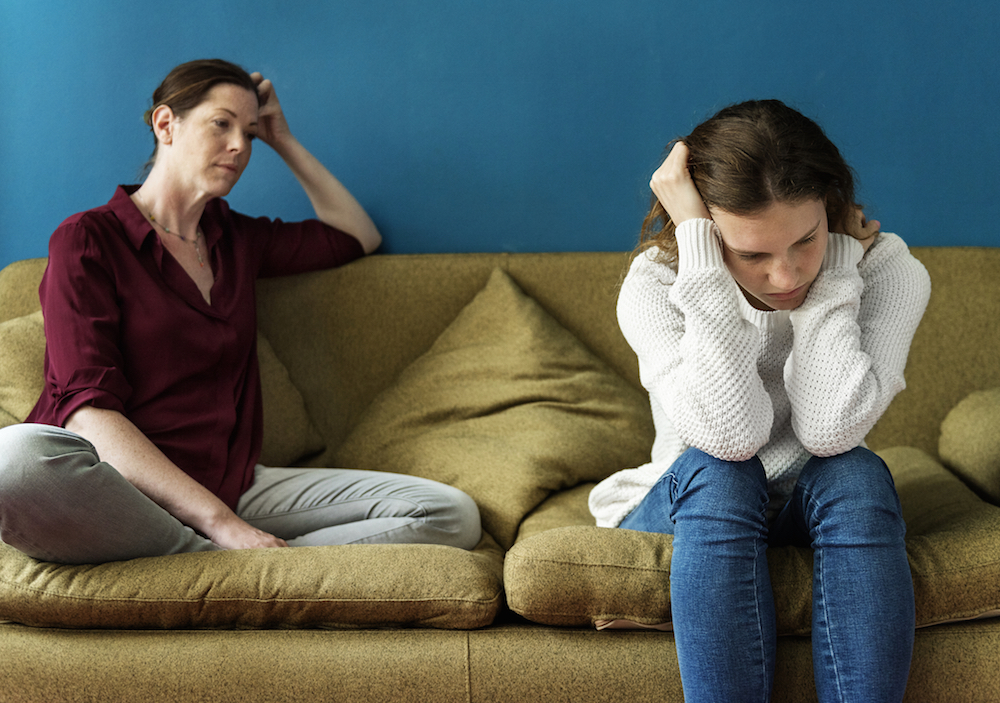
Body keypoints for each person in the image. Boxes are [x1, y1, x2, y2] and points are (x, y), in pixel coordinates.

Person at [0, 59, 481, 565]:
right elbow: (87, 415)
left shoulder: (237, 240)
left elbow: (357, 235)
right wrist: (223, 525)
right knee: (14, 461)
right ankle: (230, 558)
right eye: (221, 124)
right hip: (120, 487)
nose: (240, 147)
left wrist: (283, 139)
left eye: (250, 134)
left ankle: (218, 565)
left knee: (449, 513)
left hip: (232, 485)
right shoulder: (87, 240)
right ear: (166, 124)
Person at [589, 100, 930, 702]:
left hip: (812, 498)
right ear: (704, 230)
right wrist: (703, 262)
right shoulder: (657, 283)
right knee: (724, 475)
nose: (787, 276)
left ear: (830, 207)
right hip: (693, 497)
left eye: (806, 240)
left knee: (855, 472)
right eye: (751, 254)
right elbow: (731, 438)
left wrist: (837, 274)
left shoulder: (885, 271)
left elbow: (829, 430)